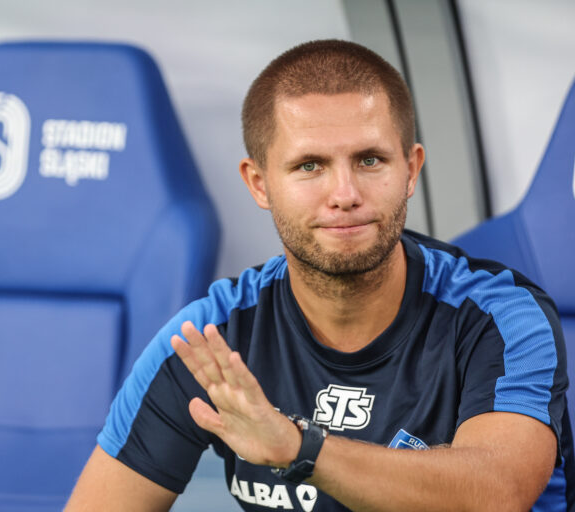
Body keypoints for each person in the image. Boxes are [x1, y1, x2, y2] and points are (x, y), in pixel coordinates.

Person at [64, 39, 572, 511]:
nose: (345, 192)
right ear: (259, 184)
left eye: (370, 159)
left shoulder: (500, 317)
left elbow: (496, 492)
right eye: (309, 166)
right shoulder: (212, 338)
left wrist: (298, 448)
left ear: (411, 170)